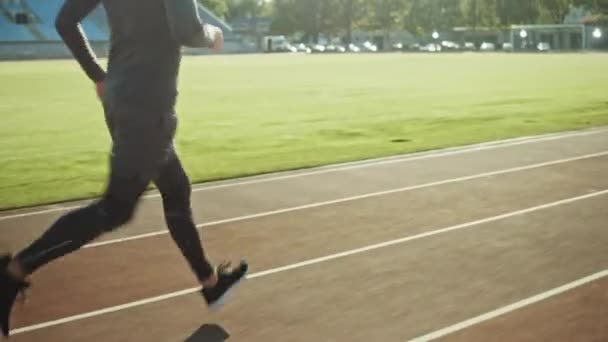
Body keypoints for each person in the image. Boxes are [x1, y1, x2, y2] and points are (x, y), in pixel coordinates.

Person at [0, 0, 248, 337]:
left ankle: (211, 282)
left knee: (176, 187)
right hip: (148, 108)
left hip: (122, 98)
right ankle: (13, 271)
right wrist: (213, 33)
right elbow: (187, 30)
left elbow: (65, 20)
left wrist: (97, 76)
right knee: (116, 208)